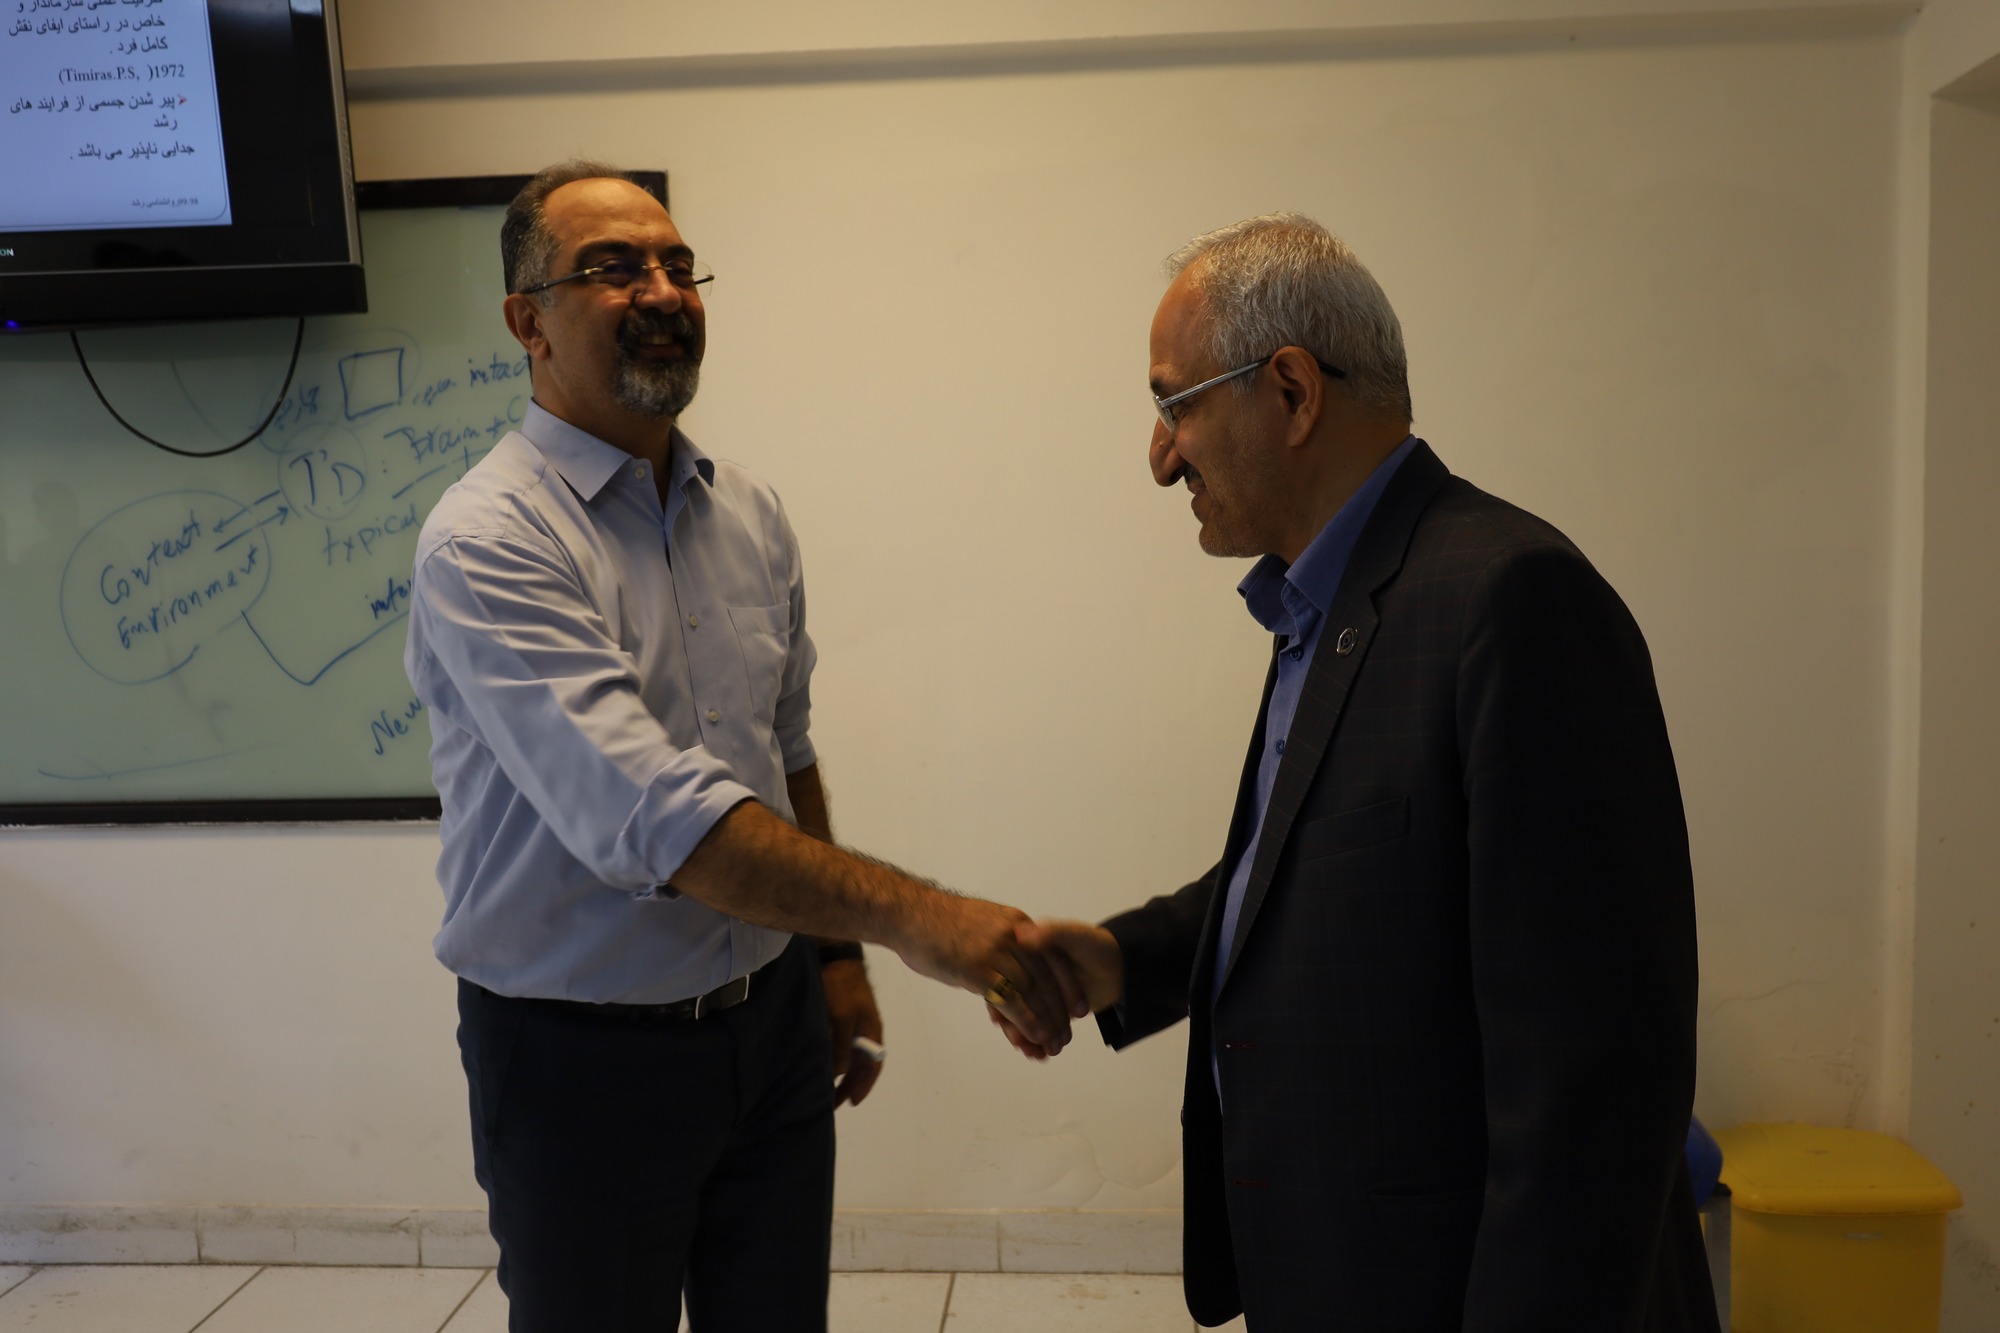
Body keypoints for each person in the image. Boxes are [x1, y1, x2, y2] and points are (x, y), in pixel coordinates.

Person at [998, 214, 1719, 1332]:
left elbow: (1596, 1086)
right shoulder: (1326, 605)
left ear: (1291, 392)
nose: (1160, 456)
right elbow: (1336, 866)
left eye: (1174, 405)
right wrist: (1125, 958)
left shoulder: (1511, 601)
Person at [404, 160, 1081, 1333]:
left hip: (769, 1033)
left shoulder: (748, 514)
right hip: (579, 1058)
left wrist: (831, 961)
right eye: (613, 269)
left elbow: (782, 743)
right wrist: (926, 922)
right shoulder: (488, 541)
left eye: (677, 265)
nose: (662, 291)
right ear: (528, 322)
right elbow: (663, 822)